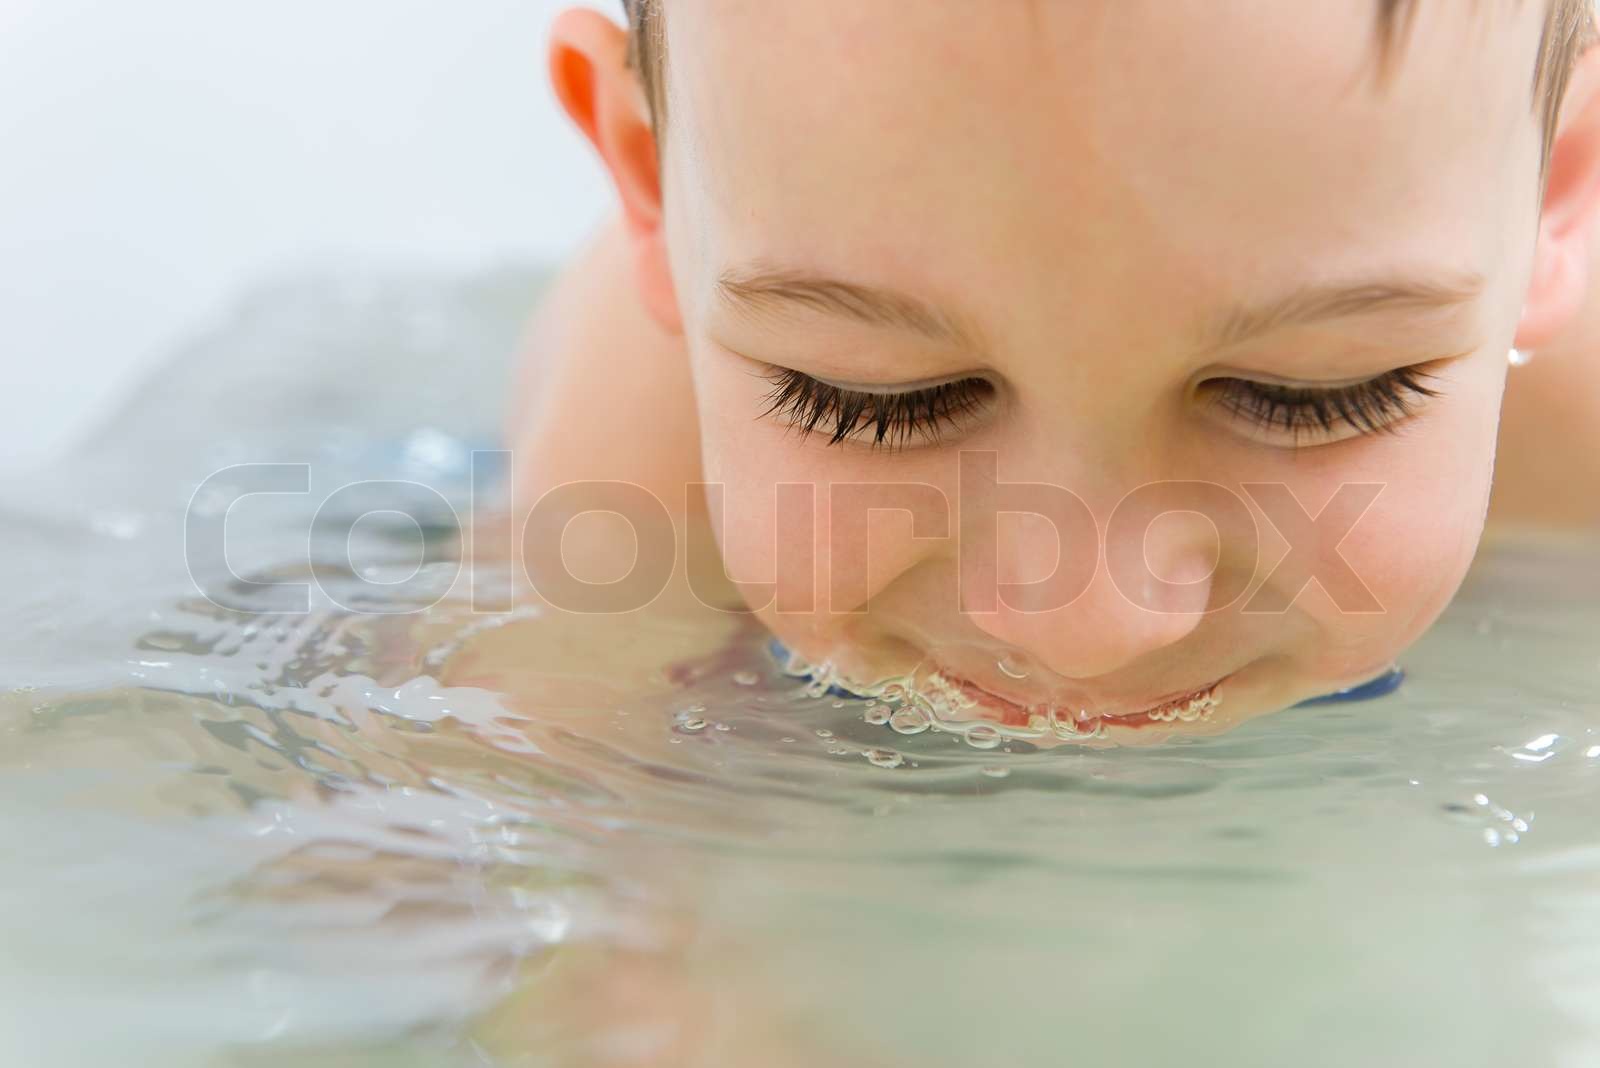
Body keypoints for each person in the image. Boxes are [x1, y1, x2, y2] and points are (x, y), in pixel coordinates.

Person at [501, 0, 1600, 741]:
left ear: (1557, 188)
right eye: (877, 401)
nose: (1088, 622)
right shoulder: (629, 454)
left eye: (1308, 395)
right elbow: (513, 841)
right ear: (648, 183)